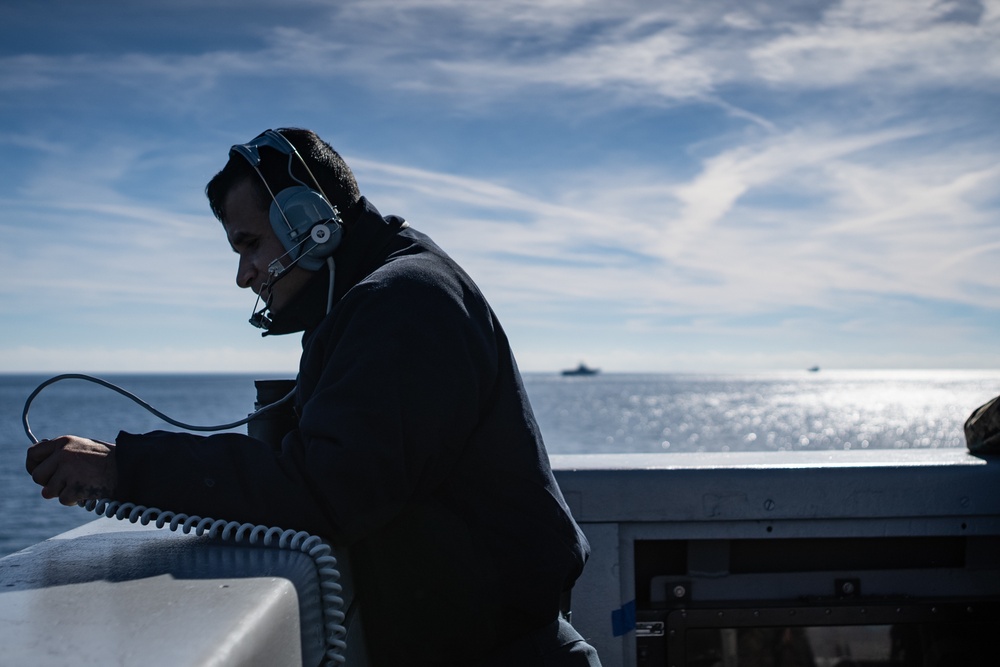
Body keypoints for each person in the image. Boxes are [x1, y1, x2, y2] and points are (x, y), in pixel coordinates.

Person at [25, 128, 600, 666]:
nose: (245, 275)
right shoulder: (381, 289)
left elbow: (328, 488)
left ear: (310, 222)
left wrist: (124, 468)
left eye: (249, 244)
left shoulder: (400, 305)